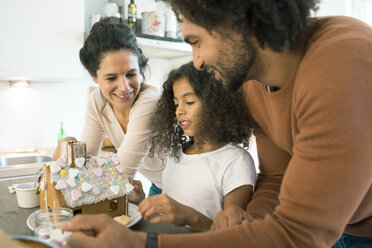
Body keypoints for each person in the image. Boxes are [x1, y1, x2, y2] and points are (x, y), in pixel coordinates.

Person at [62, 1, 372, 247]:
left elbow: (297, 235)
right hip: (336, 229)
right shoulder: (252, 83)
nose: (196, 61)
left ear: (236, 23)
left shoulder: (341, 62)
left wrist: (141, 244)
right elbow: (276, 175)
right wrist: (246, 217)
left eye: (196, 42)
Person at [132, 62, 256, 232]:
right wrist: (141, 202)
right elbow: (168, 216)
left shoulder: (236, 161)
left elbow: (230, 236)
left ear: (216, 104)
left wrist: (190, 216)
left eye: (189, 102)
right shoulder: (176, 153)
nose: (179, 111)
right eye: (176, 104)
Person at [53, 18, 164, 197]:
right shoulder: (97, 101)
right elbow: (85, 163)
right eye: (111, 78)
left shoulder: (150, 103)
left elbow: (119, 175)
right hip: (159, 187)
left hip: (194, 188)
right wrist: (70, 148)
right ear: (94, 76)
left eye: (131, 74)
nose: (125, 87)